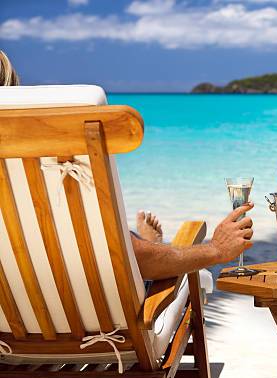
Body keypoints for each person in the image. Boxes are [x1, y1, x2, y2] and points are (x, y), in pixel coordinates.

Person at [0, 50, 253, 282]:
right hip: (96, 324)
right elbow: (132, 260)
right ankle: (149, 244)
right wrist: (216, 249)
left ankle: (147, 243)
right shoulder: (38, 176)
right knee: (174, 270)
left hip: (12, 323)